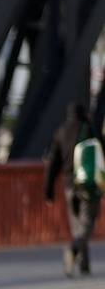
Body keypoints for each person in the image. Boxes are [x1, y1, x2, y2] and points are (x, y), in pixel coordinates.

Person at [43, 101, 101, 276]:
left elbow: (52, 163)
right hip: (87, 184)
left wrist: (48, 191)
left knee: (77, 226)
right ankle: (73, 249)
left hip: (69, 185)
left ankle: (84, 265)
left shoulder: (60, 132)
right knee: (87, 223)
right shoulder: (89, 129)